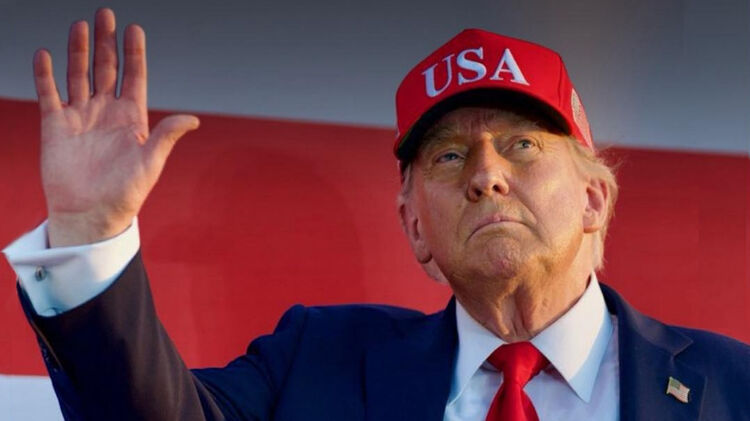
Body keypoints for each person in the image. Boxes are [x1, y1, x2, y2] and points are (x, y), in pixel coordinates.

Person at [4, 7, 750, 421]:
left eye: (522, 144)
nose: (486, 174)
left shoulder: (733, 386)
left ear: (593, 198)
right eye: (448, 157)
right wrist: (90, 233)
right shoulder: (315, 360)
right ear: (415, 226)